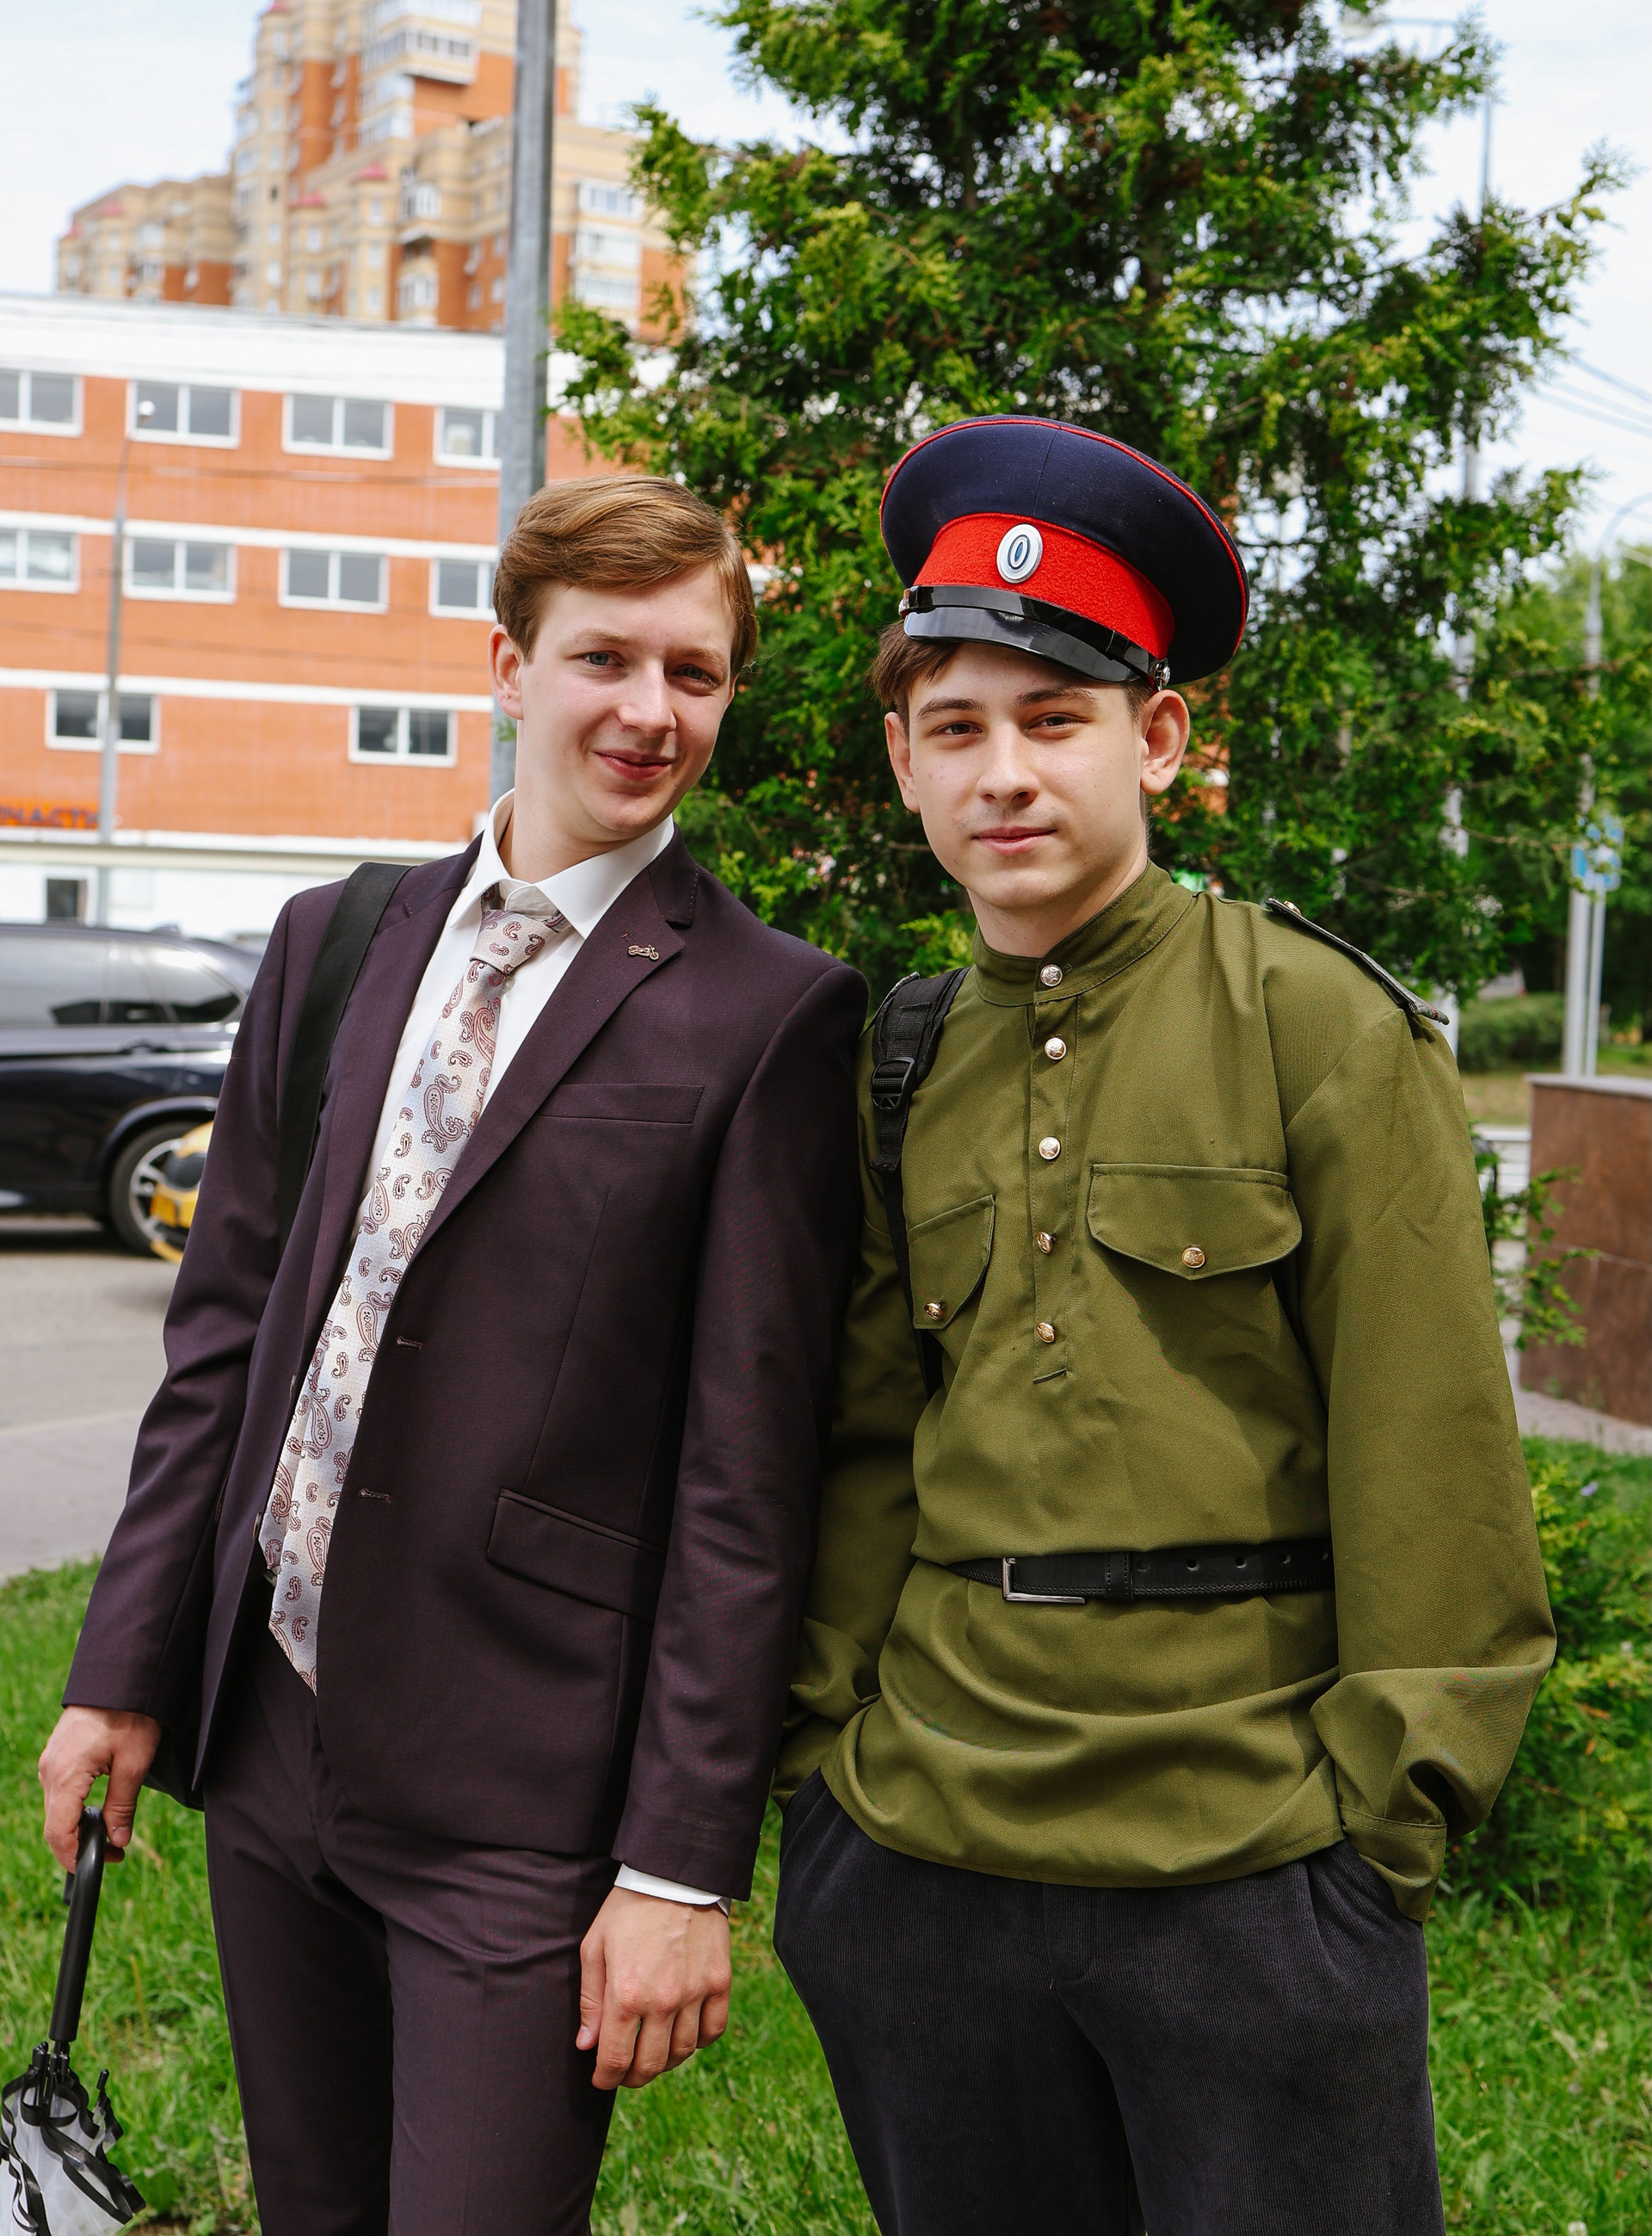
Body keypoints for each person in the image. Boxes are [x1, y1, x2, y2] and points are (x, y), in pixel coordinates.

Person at [39, 474, 865, 2236]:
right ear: (508, 666)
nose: (651, 712)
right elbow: (226, 1337)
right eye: (606, 659)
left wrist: (679, 1865)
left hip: (522, 1789)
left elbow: (744, 1483)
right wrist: (123, 1670)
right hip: (273, 1735)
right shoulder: (338, 939)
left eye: (696, 673)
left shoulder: (770, 1011)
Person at [771, 415, 1554, 2236]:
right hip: (926, 1862)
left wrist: (1379, 1832)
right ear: (902, 761)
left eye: (1056, 721)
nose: (1005, 775)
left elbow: (1432, 1450)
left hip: (1255, 1863)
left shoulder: (1316, 1026)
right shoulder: (902, 1061)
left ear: (1162, 740)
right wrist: (826, 1784)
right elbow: (868, 1452)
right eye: (956, 728)